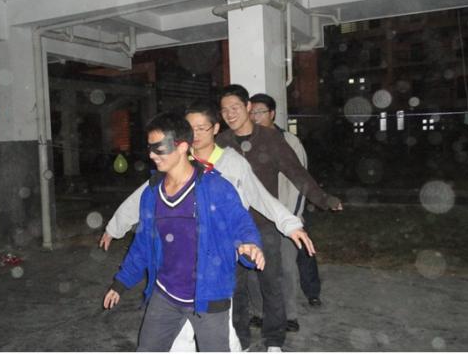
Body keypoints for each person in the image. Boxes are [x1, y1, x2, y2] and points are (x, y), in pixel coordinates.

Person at [100, 101, 316, 351]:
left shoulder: (220, 179)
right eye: (191, 128)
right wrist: (119, 266)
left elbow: (247, 211)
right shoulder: (155, 188)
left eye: (201, 128)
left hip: (211, 283)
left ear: (212, 130)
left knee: (230, 329)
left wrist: (270, 232)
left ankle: (266, 342)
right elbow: (142, 237)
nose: (151, 155)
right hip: (165, 292)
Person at [216, 84, 343, 352]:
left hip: (265, 225)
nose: (229, 114)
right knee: (235, 288)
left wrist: (323, 199)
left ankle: (274, 340)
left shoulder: (271, 139)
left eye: (235, 107)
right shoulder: (221, 142)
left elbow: (296, 173)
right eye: (224, 110)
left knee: (271, 285)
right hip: (232, 229)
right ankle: (240, 340)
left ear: (248, 107)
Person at [248, 93, 322, 334]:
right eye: (251, 112)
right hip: (256, 218)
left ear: (272, 114)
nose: (254, 117)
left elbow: (301, 180)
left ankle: (290, 315)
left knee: (286, 268)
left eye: (260, 112)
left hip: (286, 217)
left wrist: (293, 218)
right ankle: (259, 312)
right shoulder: (246, 142)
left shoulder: (289, 141)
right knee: (254, 267)